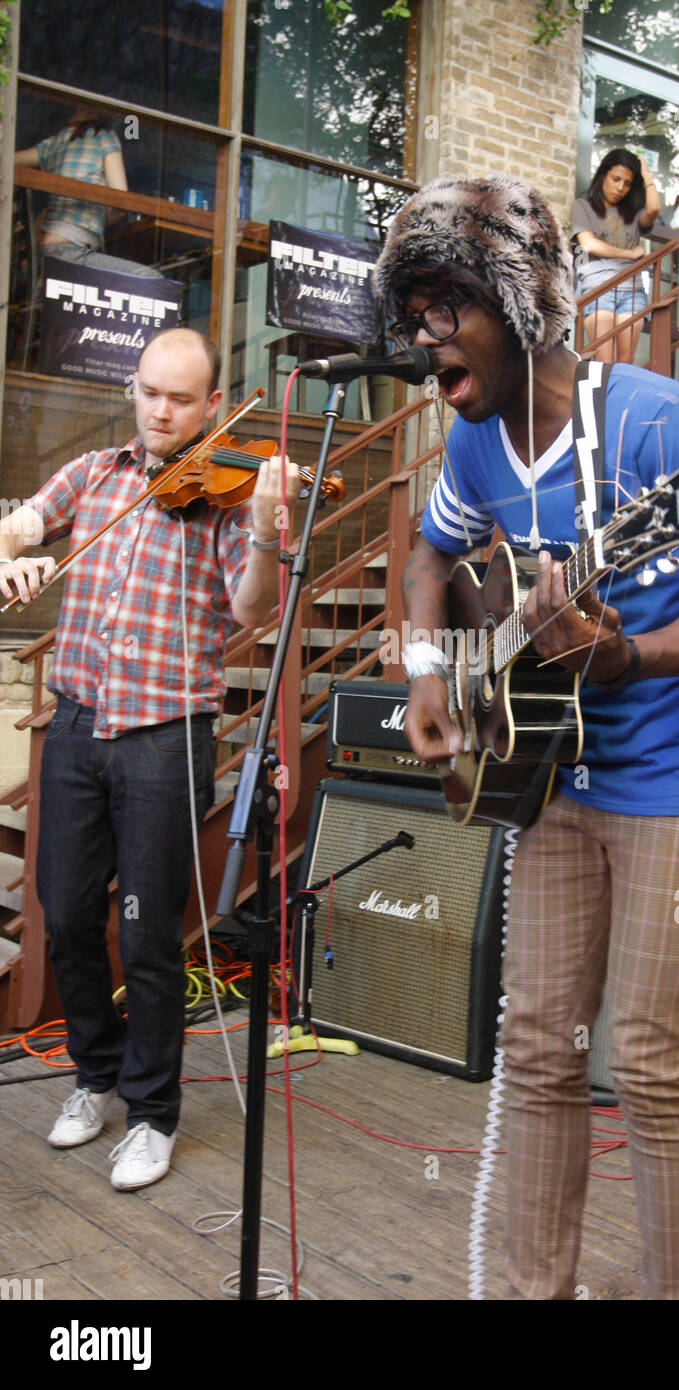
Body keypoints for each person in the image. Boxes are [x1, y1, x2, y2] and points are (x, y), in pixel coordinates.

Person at [375, 173, 679, 1299]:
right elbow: (425, 559)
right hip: (551, 772)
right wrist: (428, 670)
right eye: (414, 311)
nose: (425, 333)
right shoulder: (475, 446)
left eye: (448, 302)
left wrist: (621, 654)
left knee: (645, 1061)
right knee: (538, 1048)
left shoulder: (656, 420)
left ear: (520, 301)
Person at [0, 327, 298, 1191]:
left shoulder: (227, 500)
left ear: (213, 406)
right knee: (62, 915)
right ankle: (94, 1076)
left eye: (180, 398)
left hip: (167, 737)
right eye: (149, 392)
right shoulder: (95, 475)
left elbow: (252, 606)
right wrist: (10, 554)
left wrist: (270, 524)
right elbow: (23, 517)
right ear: (133, 390)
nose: (161, 411)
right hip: (79, 728)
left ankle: (154, 1112)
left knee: (148, 932)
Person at [15, 106, 160, 277]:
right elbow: (121, 202)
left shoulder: (54, 143)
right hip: (70, 252)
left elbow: (9, 158)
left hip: (47, 252)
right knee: (149, 277)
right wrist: (97, 219)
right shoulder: (104, 138)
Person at [571, 148, 660, 364]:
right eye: (616, 179)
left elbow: (654, 209)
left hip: (632, 291)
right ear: (603, 176)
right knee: (604, 361)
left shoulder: (633, 213)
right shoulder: (583, 206)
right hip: (598, 287)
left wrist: (646, 174)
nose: (620, 188)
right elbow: (589, 244)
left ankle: (619, 399)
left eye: (627, 183)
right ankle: (604, 399)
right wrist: (629, 253)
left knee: (624, 362)